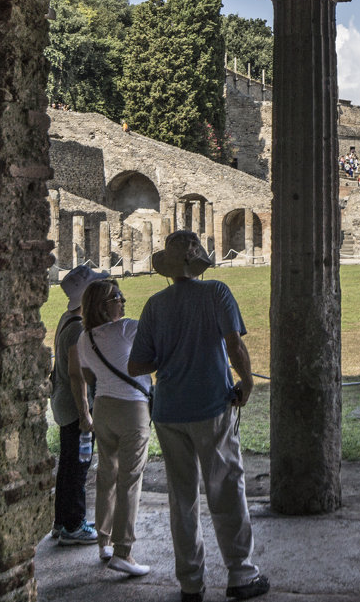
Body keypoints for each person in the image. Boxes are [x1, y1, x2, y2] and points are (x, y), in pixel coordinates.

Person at [128, 231, 270, 602]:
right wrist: (248, 382)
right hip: (210, 406)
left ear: (169, 269)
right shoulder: (216, 293)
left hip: (169, 410)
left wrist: (172, 354)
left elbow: (137, 363)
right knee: (226, 488)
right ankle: (241, 574)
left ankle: (191, 583)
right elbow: (234, 344)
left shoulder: (155, 305)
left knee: (182, 497)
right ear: (199, 264)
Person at [78, 279, 152, 576]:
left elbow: (87, 375)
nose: (123, 301)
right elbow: (155, 350)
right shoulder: (127, 328)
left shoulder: (85, 338)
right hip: (132, 407)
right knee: (130, 480)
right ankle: (123, 551)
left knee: (107, 475)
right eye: (116, 298)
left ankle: (104, 541)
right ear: (102, 307)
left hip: (104, 408)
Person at [49, 264, 109, 546]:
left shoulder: (66, 318)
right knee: (79, 464)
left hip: (64, 402)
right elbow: (76, 374)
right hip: (74, 406)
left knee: (68, 464)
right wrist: (85, 414)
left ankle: (62, 521)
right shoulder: (77, 329)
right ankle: (74, 524)